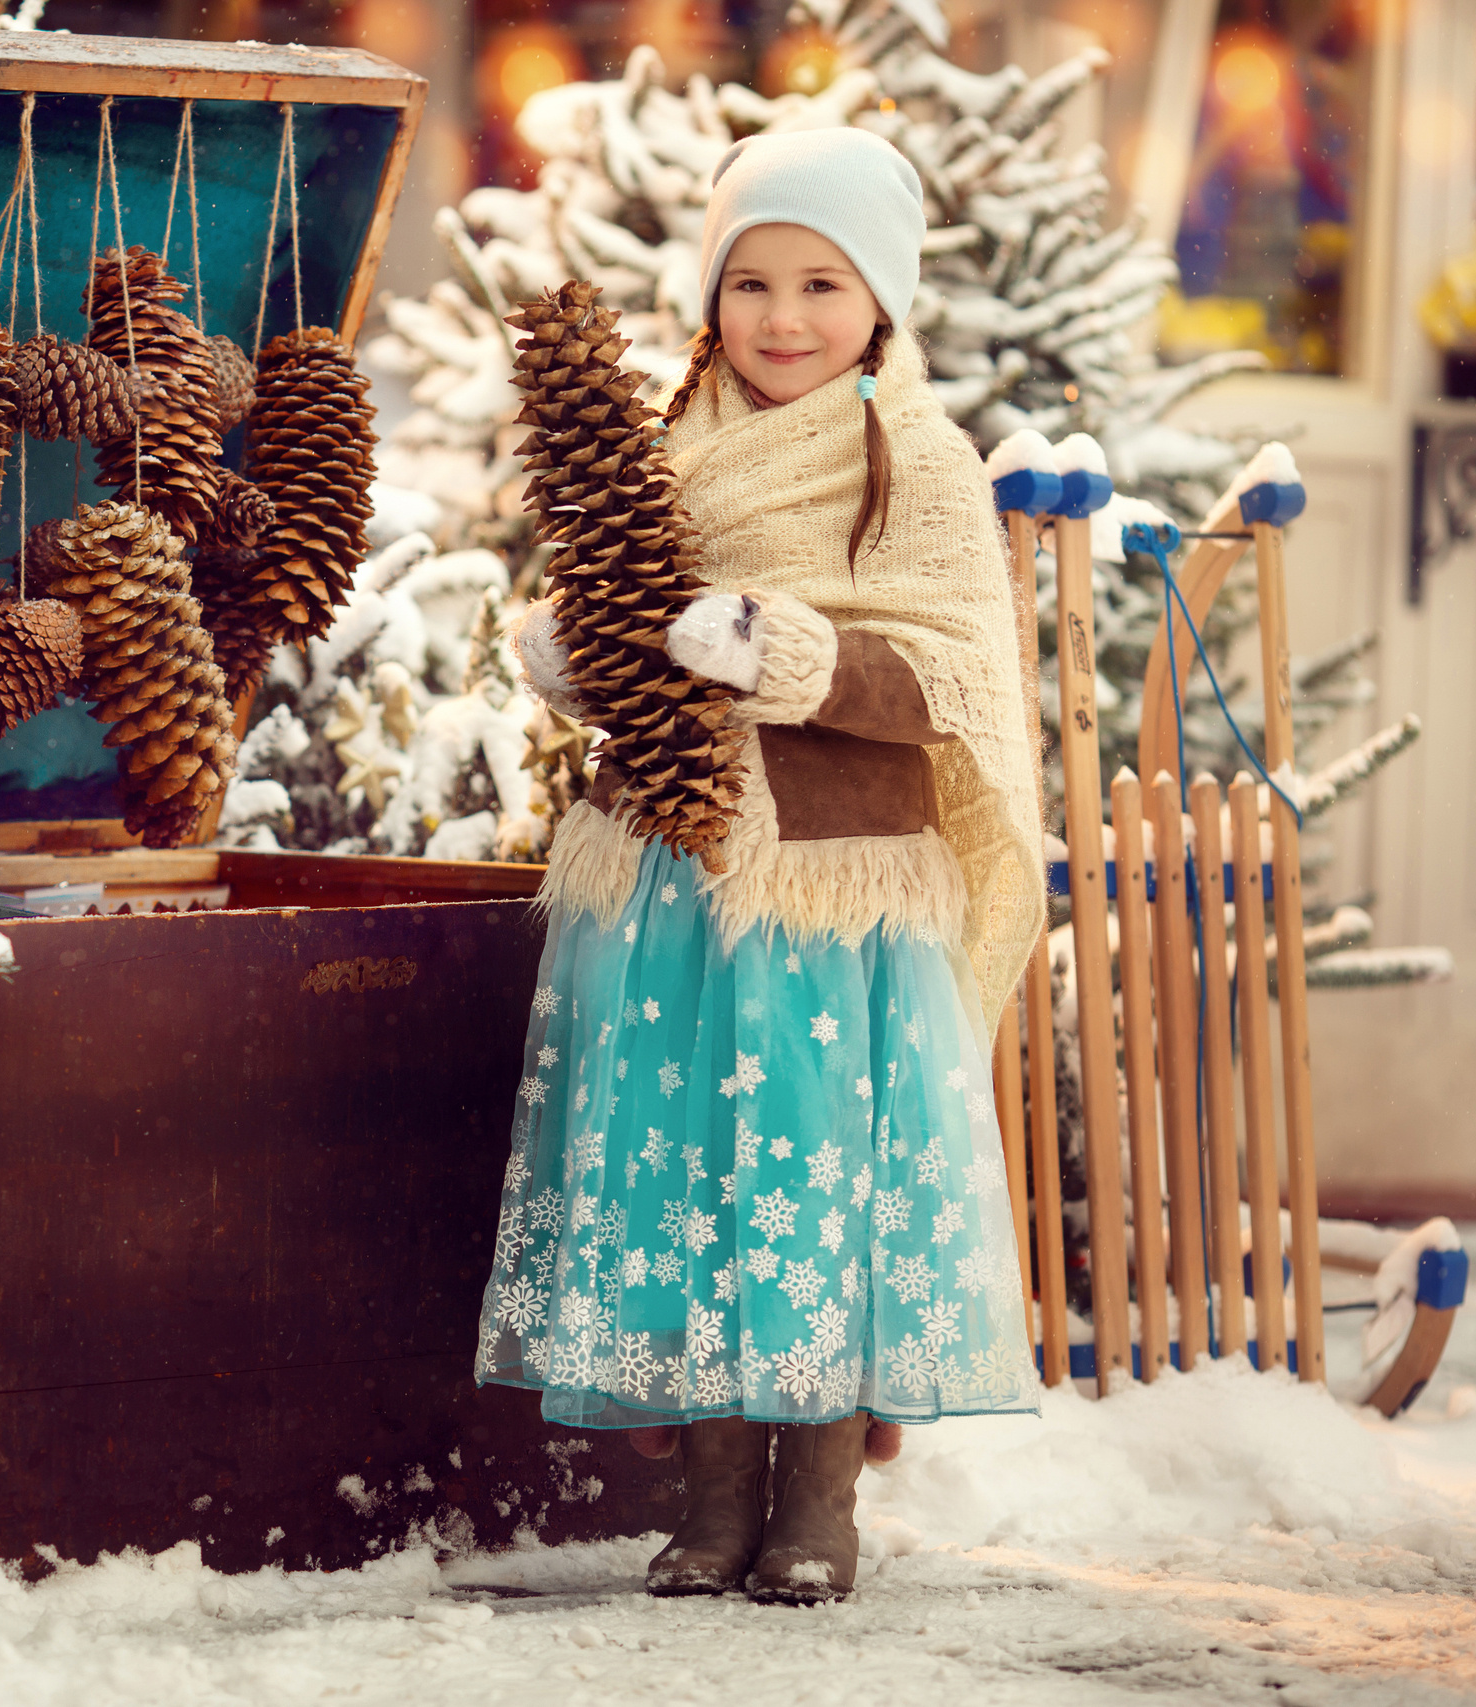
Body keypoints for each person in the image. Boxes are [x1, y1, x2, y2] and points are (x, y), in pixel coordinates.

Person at [475, 125, 1046, 1606]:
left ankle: (820, 1508)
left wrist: (800, 657)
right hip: (664, 875)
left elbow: (956, 681)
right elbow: (627, 597)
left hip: (829, 892)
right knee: (684, 1174)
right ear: (711, 297)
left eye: (821, 283)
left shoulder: (916, 459)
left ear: (883, 303)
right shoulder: (663, 445)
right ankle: (714, 1501)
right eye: (752, 283)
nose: (782, 319)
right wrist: (577, 652)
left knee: (809, 1171)